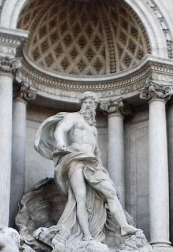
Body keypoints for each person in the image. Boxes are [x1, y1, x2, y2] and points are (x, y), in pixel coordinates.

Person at [34, 91, 138, 242]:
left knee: (111, 192)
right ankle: (86, 235)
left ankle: (124, 226)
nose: (89, 106)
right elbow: (60, 129)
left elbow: (97, 153)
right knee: (80, 197)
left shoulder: (93, 129)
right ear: (81, 104)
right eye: (87, 102)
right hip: (75, 158)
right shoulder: (73, 117)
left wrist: (102, 170)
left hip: (92, 163)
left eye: (92, 103)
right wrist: (61, 142)